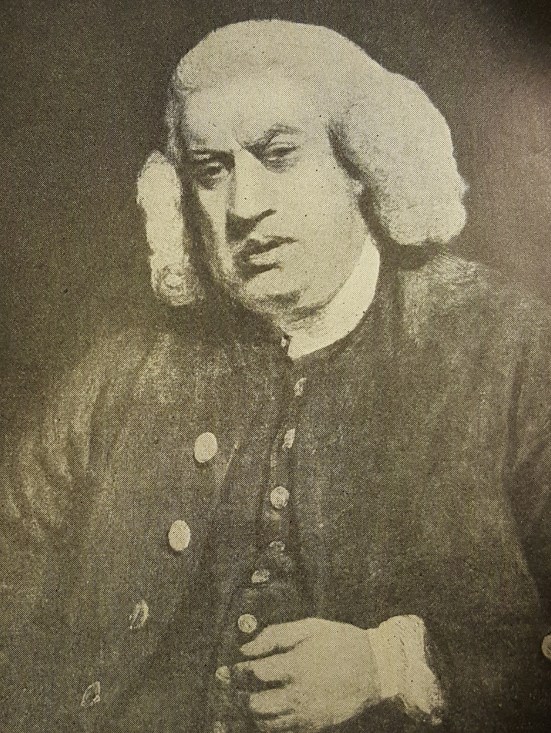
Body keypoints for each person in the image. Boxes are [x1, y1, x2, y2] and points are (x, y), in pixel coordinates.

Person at [1, 19, 550, 733]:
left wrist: (391, 666)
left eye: (278, 155)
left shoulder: (507, 347)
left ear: (359, 164)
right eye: (211, 170)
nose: (243, 206)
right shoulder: (120, 376)